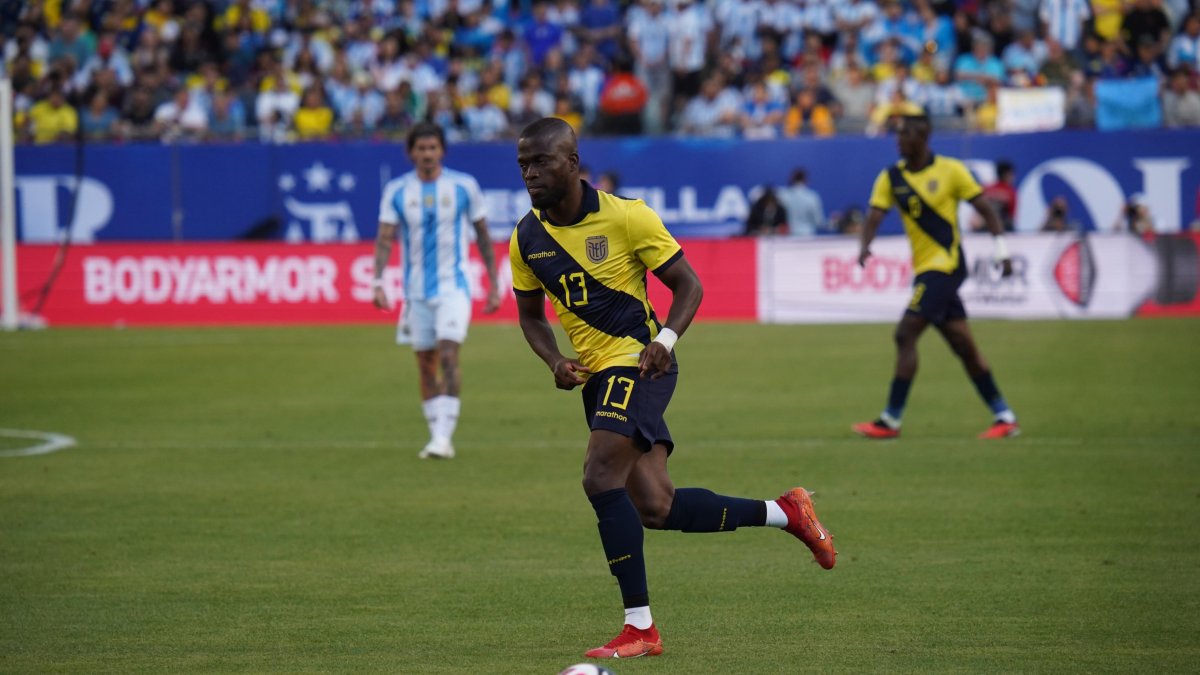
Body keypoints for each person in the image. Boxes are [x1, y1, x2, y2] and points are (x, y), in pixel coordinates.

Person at [510, 117, 837, 660]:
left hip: (640, 364)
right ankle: (786, 511)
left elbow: (689, 284)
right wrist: (553, 361)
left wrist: (666, 338)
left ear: (571, 163)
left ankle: (641, 628)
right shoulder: (526, 236)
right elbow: (530, 315)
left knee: (598, 475)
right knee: (656, 507)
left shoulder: (628, 216)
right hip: (595, 377)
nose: (529, 173)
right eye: (522, 164)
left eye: (540, 162)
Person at [852, 114, 1020, 440]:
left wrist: (1001, 250)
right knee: (963, 344)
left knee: (905, 333)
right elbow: (874, 216)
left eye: (904, 137)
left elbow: (986, 209)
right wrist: (864, 246)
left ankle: (890, 420)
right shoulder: (891, 177)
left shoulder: (952, 170)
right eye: (897, 136)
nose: (898, 142)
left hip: (947, 266)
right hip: (926, 268)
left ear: (922, 138)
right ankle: (1004, 416)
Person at [372, 122, 502, 459]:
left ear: (442, 150)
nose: (427, 154)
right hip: (415, 293)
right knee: (426, 364)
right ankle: (436, 435)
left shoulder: (463, 186)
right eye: (421, 148)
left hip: (454, 288)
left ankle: (444, 437)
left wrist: (493, 281)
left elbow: (483, 234)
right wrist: (377, 281)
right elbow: (385, 237)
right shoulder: (397, 191)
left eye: (432, 148)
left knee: (448, 353)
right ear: (410, 152)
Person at [778, 168, 826, 236]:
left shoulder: (782, 195)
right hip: (807, 235)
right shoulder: (812, 197)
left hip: (789, 235)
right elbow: (818, 222)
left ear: (791, 179)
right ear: (806, 180)